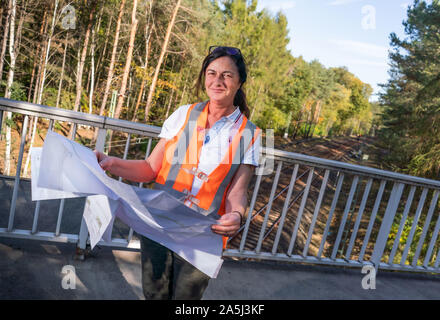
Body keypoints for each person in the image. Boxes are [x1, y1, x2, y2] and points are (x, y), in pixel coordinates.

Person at [94, 46, 261, 300]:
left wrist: (237, 214)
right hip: (159, 224)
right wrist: (110, 162)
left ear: (239, 82)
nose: (217, 81)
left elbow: (238, 191)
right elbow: (150, 169)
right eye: (211, 73)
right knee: (154, 295)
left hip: (202, 234)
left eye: (226, 75)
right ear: (204, 77)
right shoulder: (184, 115)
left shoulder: (251, 134)